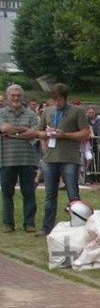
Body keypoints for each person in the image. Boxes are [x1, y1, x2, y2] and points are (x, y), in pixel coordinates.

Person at [34, 83, 91, 236]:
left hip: (69, 158)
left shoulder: (77, 111)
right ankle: (47, 228)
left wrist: (64, 135)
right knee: (50, 195)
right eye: (54, 100)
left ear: (66, 98)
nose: (57, 103)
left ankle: (78, 225)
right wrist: (45, 140)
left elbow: (85, 133)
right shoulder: (47, 112)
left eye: (59, 100)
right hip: (50, 159)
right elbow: (39, 132)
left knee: (73, 194)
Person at [0, 85, 40, 233]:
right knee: (7, 194)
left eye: (18, 95)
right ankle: (8, 224)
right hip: (6, 160)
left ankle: (29, 223)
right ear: (8, 96)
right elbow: (3, 128)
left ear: (22, 97)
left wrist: (13, 133)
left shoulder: (30, 114)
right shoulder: (1, 113)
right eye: (13, 95)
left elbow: (34, 132)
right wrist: (24, 130)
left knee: (29, 193)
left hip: (27, 160)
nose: (16, 98)